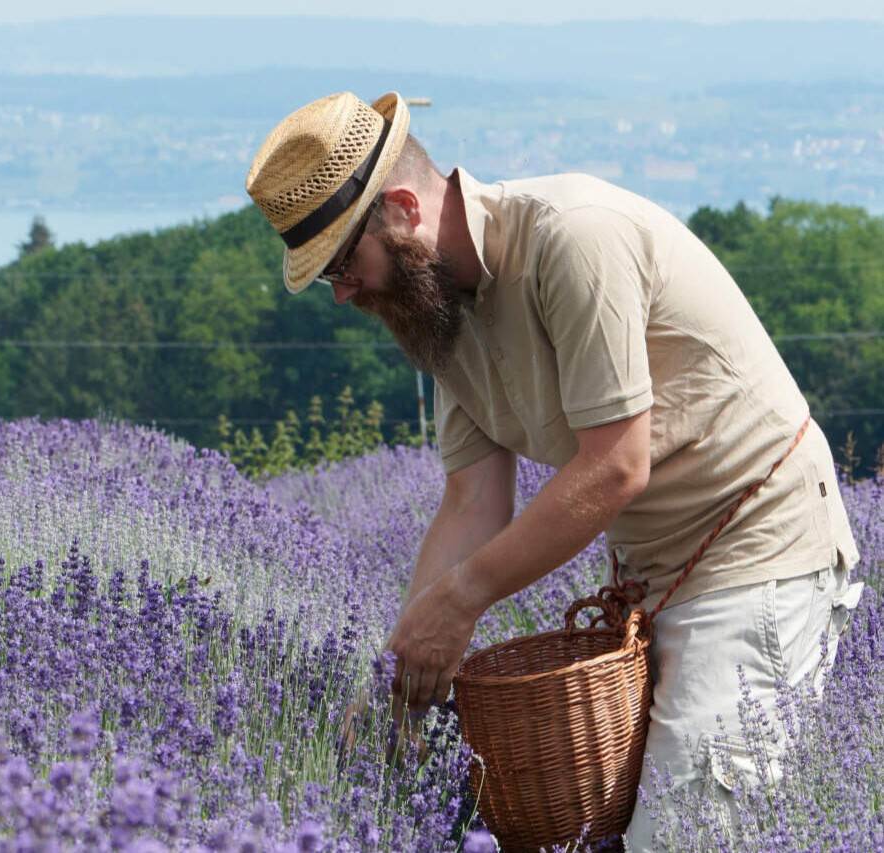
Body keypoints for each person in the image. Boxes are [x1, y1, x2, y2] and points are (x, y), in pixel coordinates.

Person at [244, 91, 862, 849]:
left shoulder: (572, 241)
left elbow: (615, 467)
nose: (342, 293)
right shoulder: (440, 316)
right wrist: (400, 671)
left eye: (343, 263)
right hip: (654, 576)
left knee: (684, 833)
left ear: (402, 210)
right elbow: (472, 499)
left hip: (758, 549)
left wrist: (462, 600)